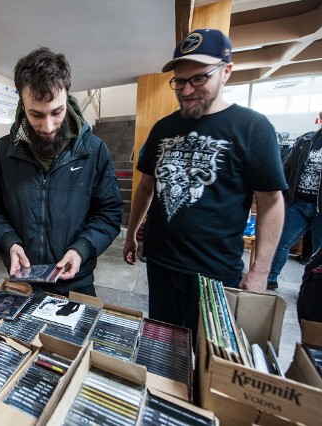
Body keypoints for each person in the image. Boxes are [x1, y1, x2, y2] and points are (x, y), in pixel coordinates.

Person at [122, 29, 287, 335]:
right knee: (163, 341)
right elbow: (146, 185)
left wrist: (260, 270)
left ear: (226, 72)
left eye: (199, 79)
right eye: (180, 82)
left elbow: (271, 202)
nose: (186, 91)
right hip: (161, 261)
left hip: (214, 270)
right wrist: (132, 232)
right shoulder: (163, 127)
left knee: (208, 352)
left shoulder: (253, 127)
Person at [0, 47, 123, 297]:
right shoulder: (3, 151)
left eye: (57, 112)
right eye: (36, 115)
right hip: (22, 282)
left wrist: (82, 249)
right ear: (22, 104)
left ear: (67, 97)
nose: (48, 126)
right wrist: (9, 242)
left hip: (77, 282)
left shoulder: (94, 150)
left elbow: (109, 212)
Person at [267, 96, 322, 290]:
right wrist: (281, 198)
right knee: (280, 241)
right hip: (297, 203)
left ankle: (312, 289)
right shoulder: (305, 140)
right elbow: (287, 169)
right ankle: (269, 279)